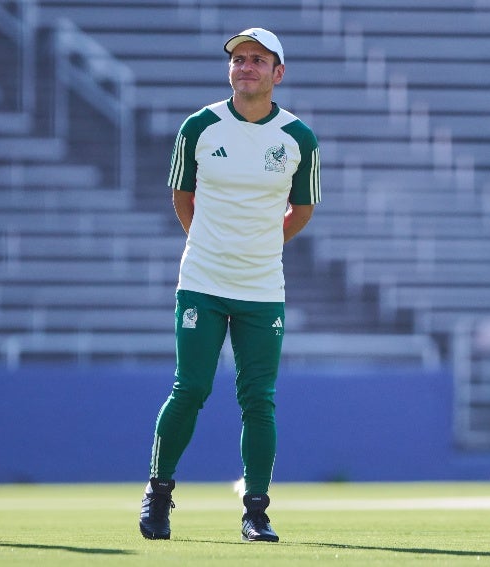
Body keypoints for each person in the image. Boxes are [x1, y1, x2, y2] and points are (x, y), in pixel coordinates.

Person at [139, 27, 321, 543]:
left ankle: (256, 512)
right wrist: (212, 247)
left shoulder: (299, 137)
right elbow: (182, 196)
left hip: (262, 288)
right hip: (202, 282)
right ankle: (158, 493)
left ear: (277, 73)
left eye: (258, 60)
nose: (246, 67)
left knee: (258, 399)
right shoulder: (200, 126)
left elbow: (302, 209)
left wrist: (261, 246)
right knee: (190, 387)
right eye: (239, 59)